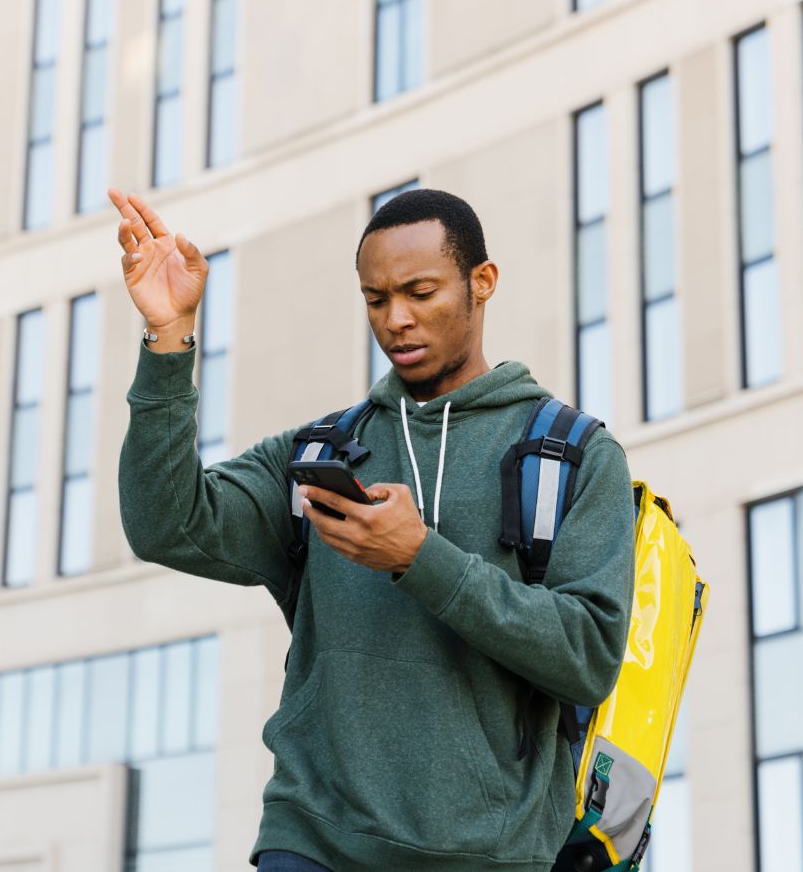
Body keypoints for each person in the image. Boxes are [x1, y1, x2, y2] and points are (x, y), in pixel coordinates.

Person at [111, 185, 635, 872]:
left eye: (421, 292)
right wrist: (168, 339)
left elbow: (590, 655)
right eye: (376, 299)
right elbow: (165, 525)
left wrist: (419, 556)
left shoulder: (573, 456)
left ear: (483, 282)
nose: (397, 320)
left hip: (490, 855)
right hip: (314, 843)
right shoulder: (317, 454)